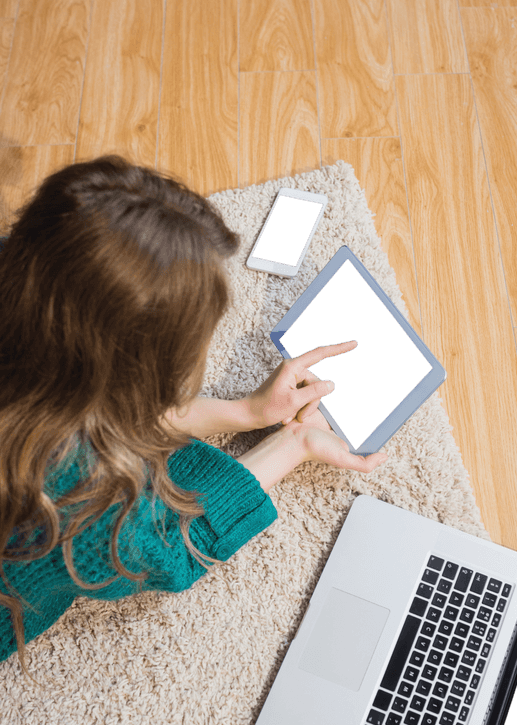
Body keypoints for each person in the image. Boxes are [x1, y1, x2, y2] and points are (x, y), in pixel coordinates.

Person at [0, 156, 388, 680]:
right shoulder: (79, 507)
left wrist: (244, 412)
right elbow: (175, 546)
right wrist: (291, 444)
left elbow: (101, 409)